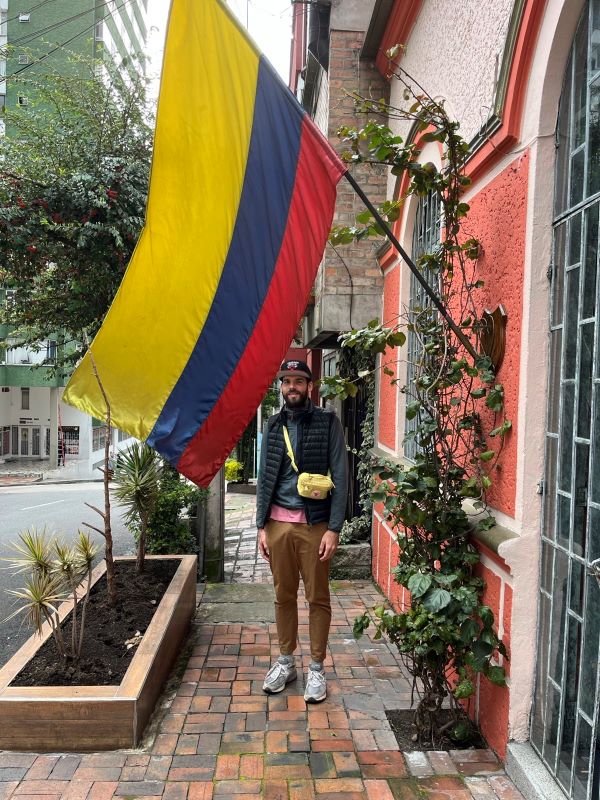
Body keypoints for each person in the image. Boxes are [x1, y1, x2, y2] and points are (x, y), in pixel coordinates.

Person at [256, 358, 348, 703]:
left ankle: (317, 668)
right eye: (286, 381)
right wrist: (261, 525)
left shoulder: (328, 422)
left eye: (298, 380)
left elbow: (340, 475)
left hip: (314, 526)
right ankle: (285, 662)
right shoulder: (274, 422)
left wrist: (333, 529)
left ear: (310, 386)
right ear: (280, 386)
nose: (291, 386)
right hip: (278, 526)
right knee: (283, 596)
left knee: (317, 598)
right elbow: (265, 477)